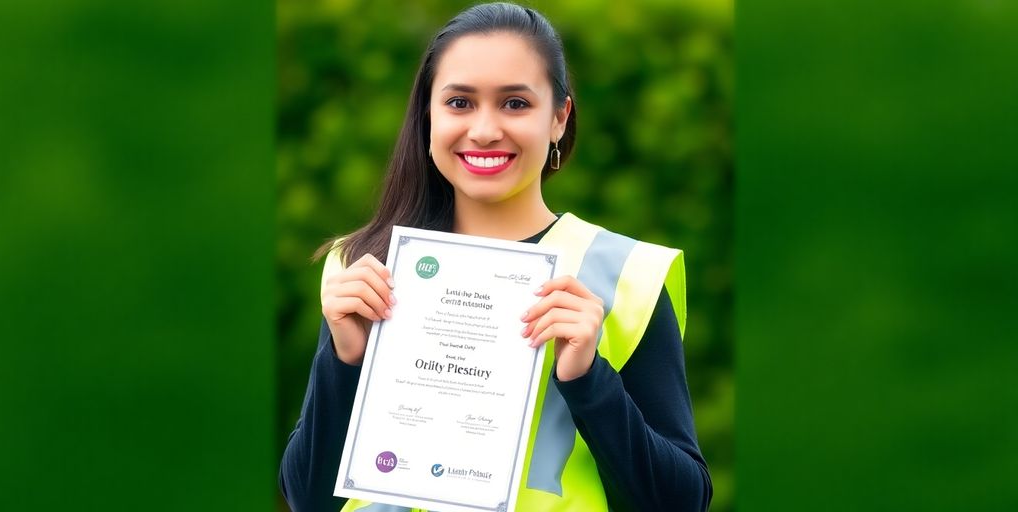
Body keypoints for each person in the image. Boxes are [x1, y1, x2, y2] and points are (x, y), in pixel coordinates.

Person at [280, 3, 712, 511]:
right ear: (428, 116)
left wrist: (589, 379)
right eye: (460, 103)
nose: (484, 130)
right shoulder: (364, 267)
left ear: (558, 118)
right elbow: (308, 500)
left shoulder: (625, 277)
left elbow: (682, 502)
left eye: (514, 104)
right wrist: (346, 361)